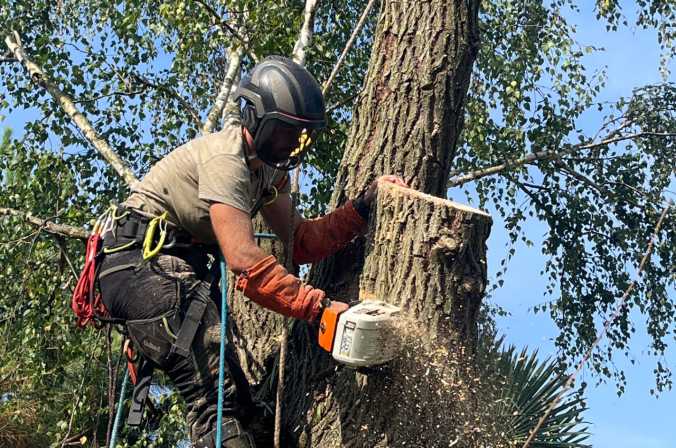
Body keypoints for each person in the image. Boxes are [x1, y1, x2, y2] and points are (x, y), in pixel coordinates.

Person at [98, 55, 406, 448]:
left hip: (173, 272)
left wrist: (360, 209)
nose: (290, 145)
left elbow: (301, 241)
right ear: (255, 118)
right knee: (215, 404)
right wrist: (319, 308)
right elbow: (244, 260)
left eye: (299, 137)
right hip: (139, 266)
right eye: (283, 134)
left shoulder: (266, 171)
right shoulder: (226, 160)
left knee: (251, 417)